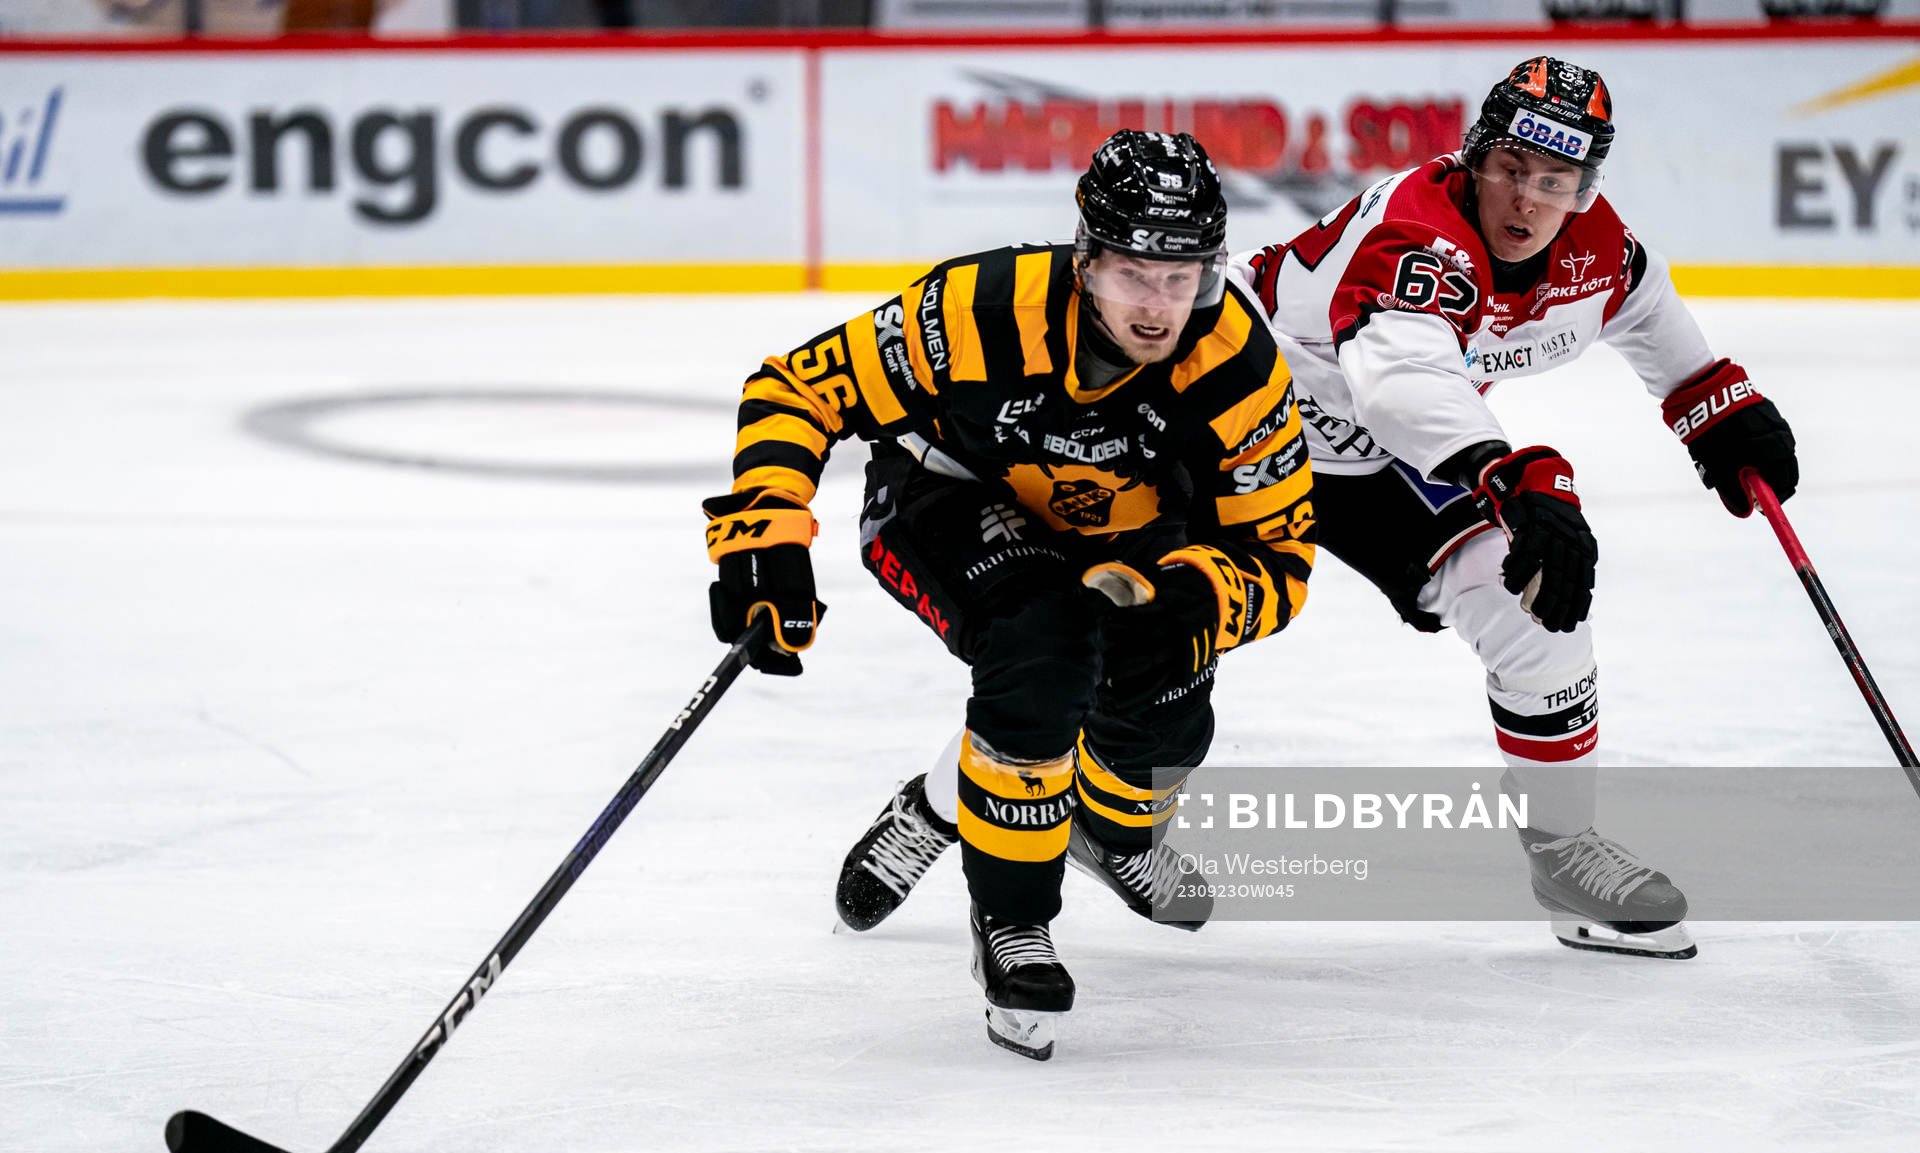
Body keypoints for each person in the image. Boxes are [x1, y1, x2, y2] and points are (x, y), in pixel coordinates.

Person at [835, 57, 1799, 964]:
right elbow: (1399, 382)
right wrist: (1513, 473)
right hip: (1232, 425)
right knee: (1115, 639)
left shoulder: (1599, 248)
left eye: (1557, 182)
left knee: (1534, 610)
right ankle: (942, 804)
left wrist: (1714, 403)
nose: (1527, 201)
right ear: (1474, 158)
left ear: (1587, 190)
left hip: (1386, 461)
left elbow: (1645, 311)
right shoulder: (1415, 236)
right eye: (1512, 169)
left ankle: (1564, 851)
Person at [705, 130, 1314, 1060]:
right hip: (950, 494)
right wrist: (765, 531)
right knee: (1043, 652)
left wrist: (1198, 601)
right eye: (1133, 275)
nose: (1158, 307)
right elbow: (798, 388)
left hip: (1128, 534)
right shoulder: (981, 308)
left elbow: (1279, 554)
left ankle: (1036, 822)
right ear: (1086, 259)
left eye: (1180, 277)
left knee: (1164, 707)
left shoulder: (1236, 365)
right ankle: (1013, 921)